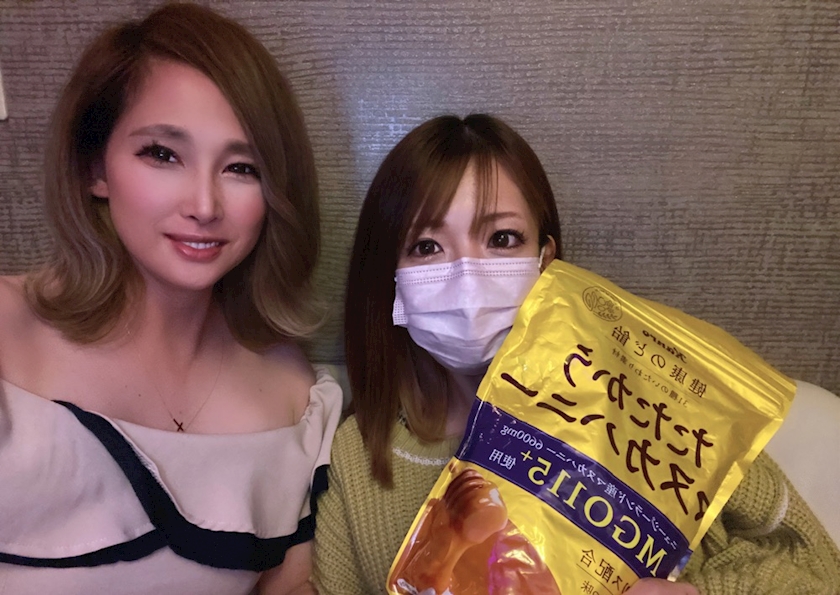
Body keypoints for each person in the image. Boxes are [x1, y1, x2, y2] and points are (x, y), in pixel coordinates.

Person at [312, 114, 840, 594]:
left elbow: (813, 571)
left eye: (502, 238)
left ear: (546, 261)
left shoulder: (654, 413)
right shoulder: (358, 461)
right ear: (390, 277)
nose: (468, 280)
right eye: (427, 246)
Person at [0, 4, 341, 594]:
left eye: (241, 167)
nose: (204, 206)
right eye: (162, 154)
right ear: (94, 167)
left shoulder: (293, 391)